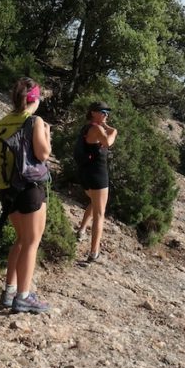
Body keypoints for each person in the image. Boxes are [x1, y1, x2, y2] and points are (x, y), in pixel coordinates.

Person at [0, 77, 52, 313]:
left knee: (21, 240)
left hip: (6, 188)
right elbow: (43, 154)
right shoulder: (35, 121)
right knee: (32, 242)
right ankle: (24, 296)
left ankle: (9, 291)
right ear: (34, 99)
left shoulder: (2, 123)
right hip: (30, 187)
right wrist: (47, 134)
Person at [75, 101, 117, 263]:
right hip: (97, 175)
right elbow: (108, 141)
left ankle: (82, 229)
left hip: (86, 173)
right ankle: (94, 252)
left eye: (107, 112)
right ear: (93, 112)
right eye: (103, 111)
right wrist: (114, 131)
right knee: (100, 214)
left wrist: (107, 127)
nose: (106, 114)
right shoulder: (97, 129)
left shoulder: (88, 127)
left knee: (94, 203)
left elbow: (108, 133)